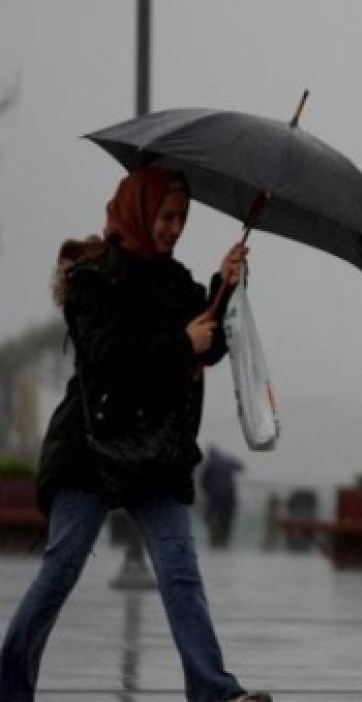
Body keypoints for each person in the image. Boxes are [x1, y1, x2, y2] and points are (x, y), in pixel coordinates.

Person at [0, 167, 272, 702]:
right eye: (167, 217)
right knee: (61, 570)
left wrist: (224, 284)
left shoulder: (177, 282)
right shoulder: (92, 279)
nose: (174, 229)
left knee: (180, 574)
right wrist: (180, 343)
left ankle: (213, 690)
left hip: (155, 453)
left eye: (182, 220)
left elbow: (208, 341)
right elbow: (109, 358)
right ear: (139, 210)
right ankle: (8, 686)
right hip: (91, 448)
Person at [199, 444, 243, 548]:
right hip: (229, 494)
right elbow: (240, 467)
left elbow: (203, 481)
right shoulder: (227, 459)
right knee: (227, 518)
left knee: (210, 516)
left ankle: (214, 539)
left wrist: (207, 491)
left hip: (215, 495)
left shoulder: (210, 463)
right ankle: (224, 540)